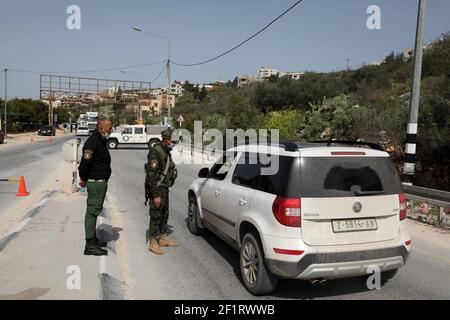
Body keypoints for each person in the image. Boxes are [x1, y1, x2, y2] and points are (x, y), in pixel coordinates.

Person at [78, 118, 113, 256]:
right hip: (96, 182)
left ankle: (93, 239)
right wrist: (84, 178)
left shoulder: (100, 140)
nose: (111, 130)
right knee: (92, 213)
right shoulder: (93, 142)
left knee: (95, 211)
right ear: (102, 128)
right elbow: (84, 165)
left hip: (100, 182)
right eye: (109, 128)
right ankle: (89, 246)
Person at [145, 128, 178, 255]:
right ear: (167, 140)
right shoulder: (155, 152)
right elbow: (151, 176)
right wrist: (156, 195)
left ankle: (163, 238)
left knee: (164, 213)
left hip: (164, 188)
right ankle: (153, 242)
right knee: (155, 215)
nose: (173, 144)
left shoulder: (166, 151)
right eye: (172, 142)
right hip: (156, 189)